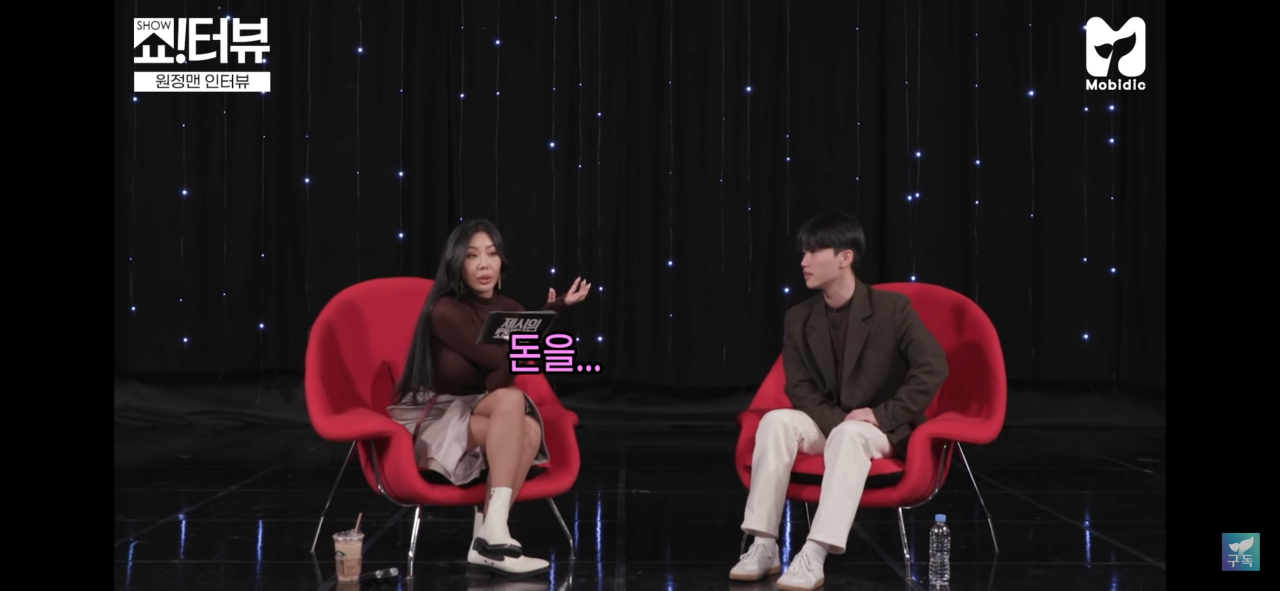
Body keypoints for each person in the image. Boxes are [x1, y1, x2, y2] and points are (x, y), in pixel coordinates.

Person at [729, 212, 949, 591]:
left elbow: (933, 367)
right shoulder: (799, 318)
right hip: (833, 422)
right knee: (776, 421)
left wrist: (881, 415)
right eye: (803, 253)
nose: (804, 261)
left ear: (845, 257)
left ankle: (814, 553)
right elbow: (799, 388)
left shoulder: (892, 308)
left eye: (814, 252)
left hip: (882, 428)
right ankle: (764, 544)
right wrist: (839, 421)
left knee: (850, 435)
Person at [389, 219, 592, 577]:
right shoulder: (445, 311)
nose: (484, 264)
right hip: (436, 414)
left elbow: (498, 381)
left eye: (492, 254)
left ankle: (487, 538)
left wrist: (549, 313)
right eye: (472, 256)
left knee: (530, 428)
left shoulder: (510, 307)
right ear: (457, 263)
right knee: (513, 402)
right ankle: (493, 536)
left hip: (482, 406)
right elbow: (496, 360)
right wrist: (537, 323)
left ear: (502, 262)